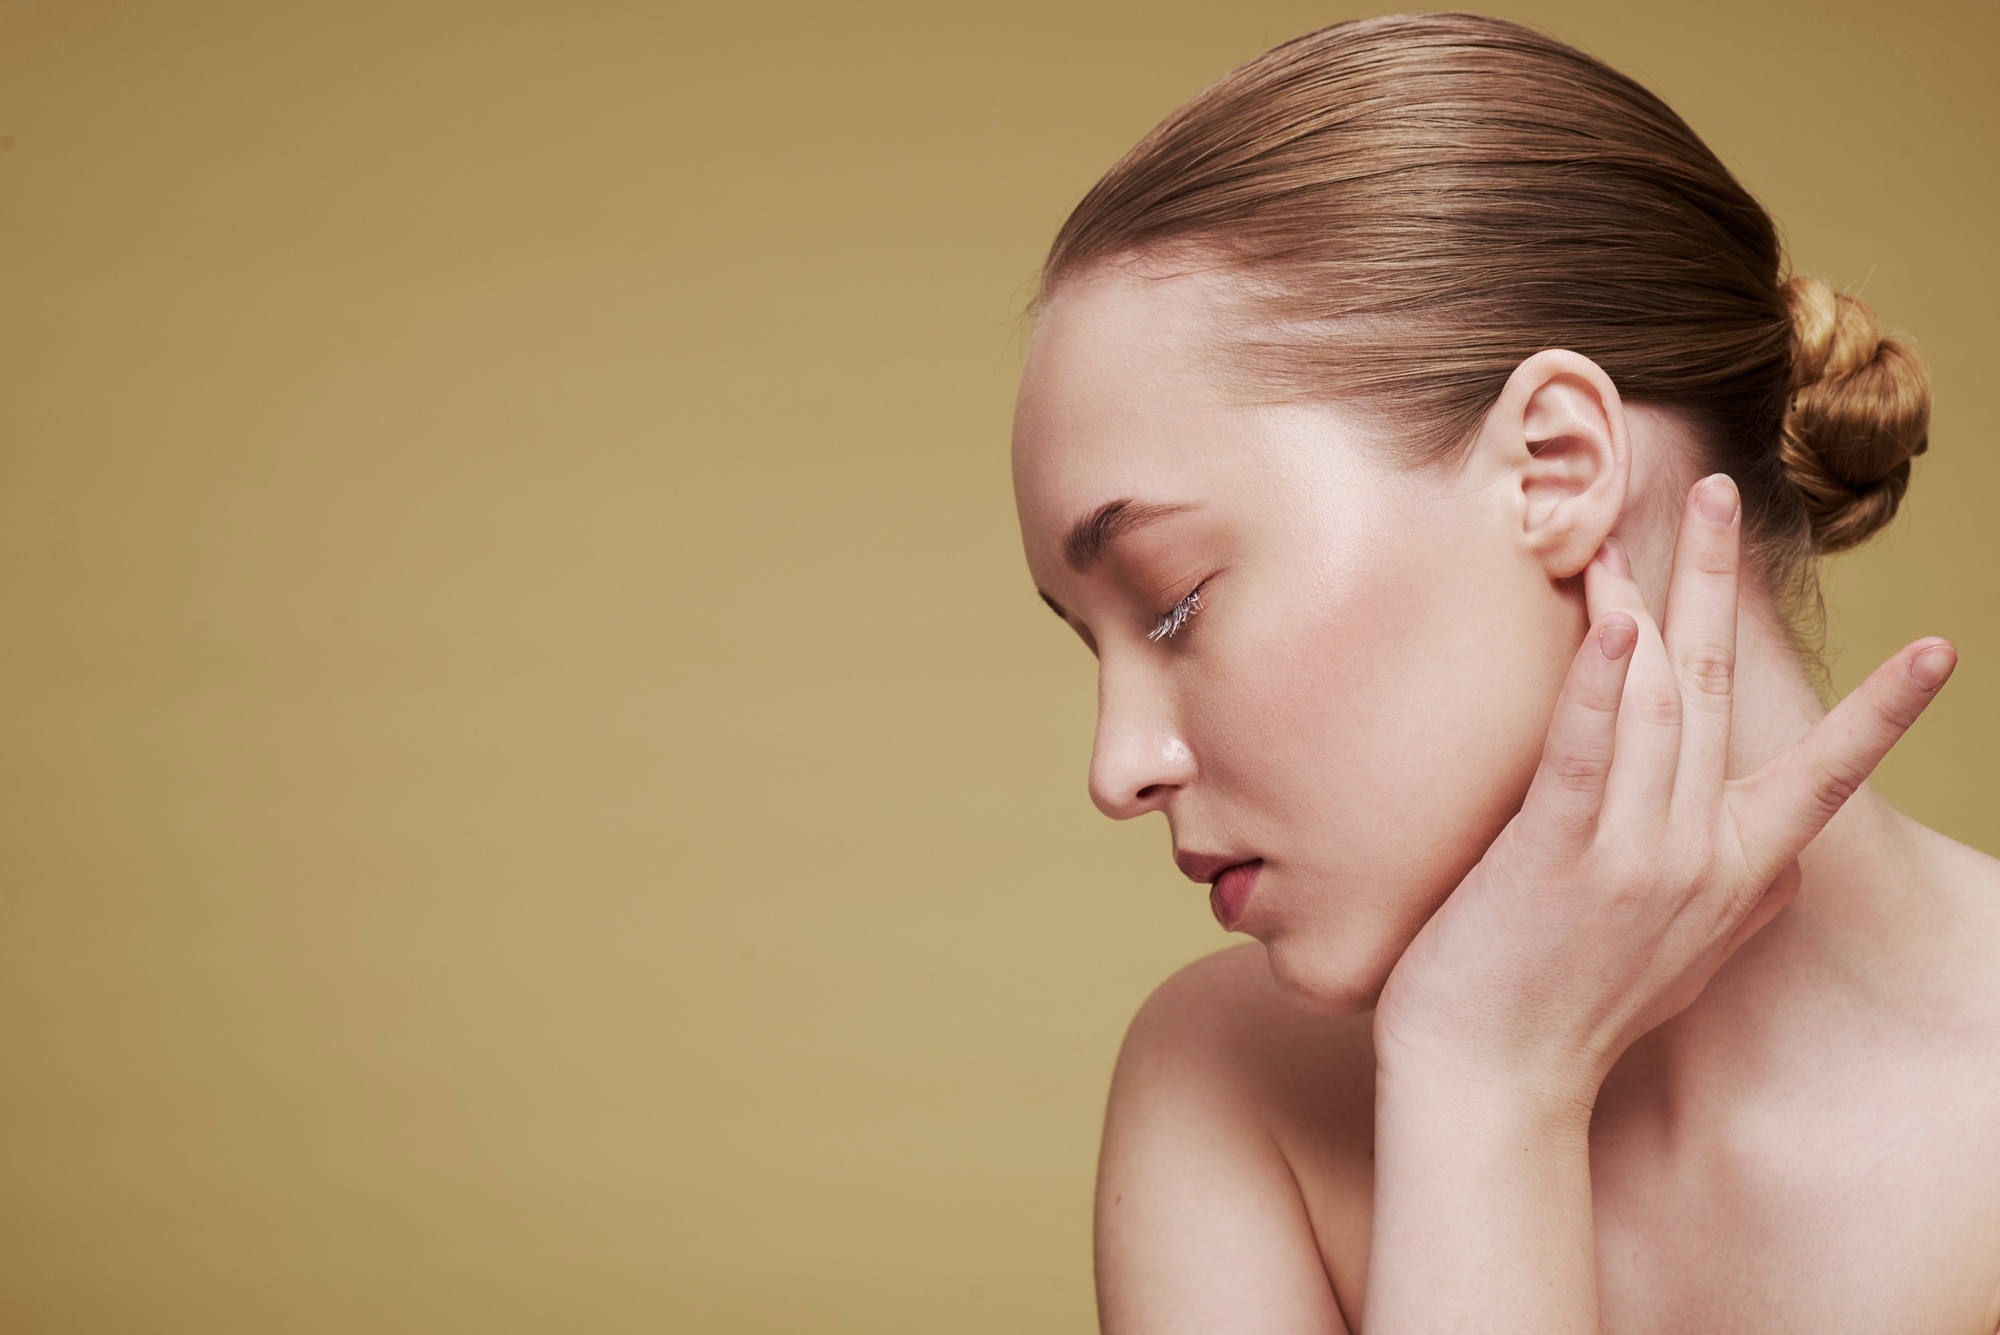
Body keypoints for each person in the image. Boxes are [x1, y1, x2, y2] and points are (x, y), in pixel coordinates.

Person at [1010, 12, 2000, 1332]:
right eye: (1094, 644)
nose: (1117, 769)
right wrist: (1486, 1087)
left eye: (1174, 604)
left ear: (1558, 470)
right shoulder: (1227, 1086)